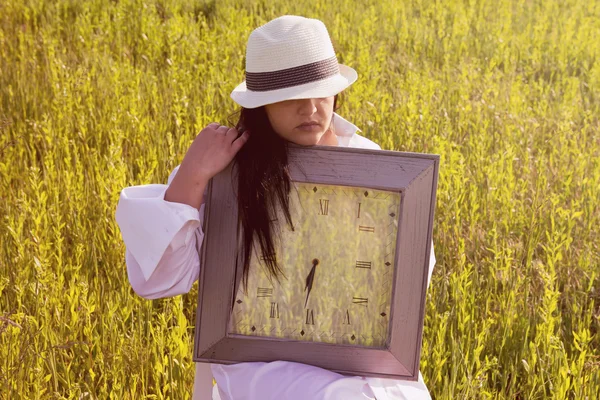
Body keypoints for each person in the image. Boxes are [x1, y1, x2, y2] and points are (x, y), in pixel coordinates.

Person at [115, 15, 436, 400]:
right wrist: (193, 176)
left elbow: (412, 280)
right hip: (263, 362)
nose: (312, 108)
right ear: (261, 104)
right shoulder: (225, 172)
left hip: (358, 356)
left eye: (322, 91)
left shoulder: (371, 166)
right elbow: (158, 281)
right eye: (292, 95)